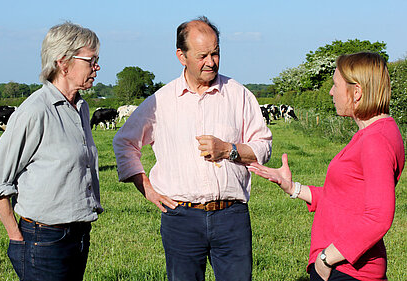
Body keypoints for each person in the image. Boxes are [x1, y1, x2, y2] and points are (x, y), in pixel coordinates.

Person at [113, 16, 272, 281]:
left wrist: (228, 150)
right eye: (202, 55)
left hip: (231, 216)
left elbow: (263, 146)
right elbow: (124, 143)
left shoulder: (239, 94)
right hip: (181, 218)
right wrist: (147, 189)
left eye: (216, 53)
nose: (211, 62)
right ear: (181, 56)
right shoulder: (160, 102)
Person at [249, 52, 405, 281]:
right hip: (344, 267)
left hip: (349, 270)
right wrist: (293, 188)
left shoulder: (375, 140)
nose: (331, 92)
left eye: (335, 85)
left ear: (357, 92)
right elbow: (343, 200)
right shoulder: (374, 133)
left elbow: (379, 217)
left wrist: (326, 259)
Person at [0, 21, 103, 281]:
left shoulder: (80, 108)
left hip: (78, 235)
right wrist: (16, 238)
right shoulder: (35, 110)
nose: (97, 67)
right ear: (64, 62)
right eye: (91, 60)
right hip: (43, 240)